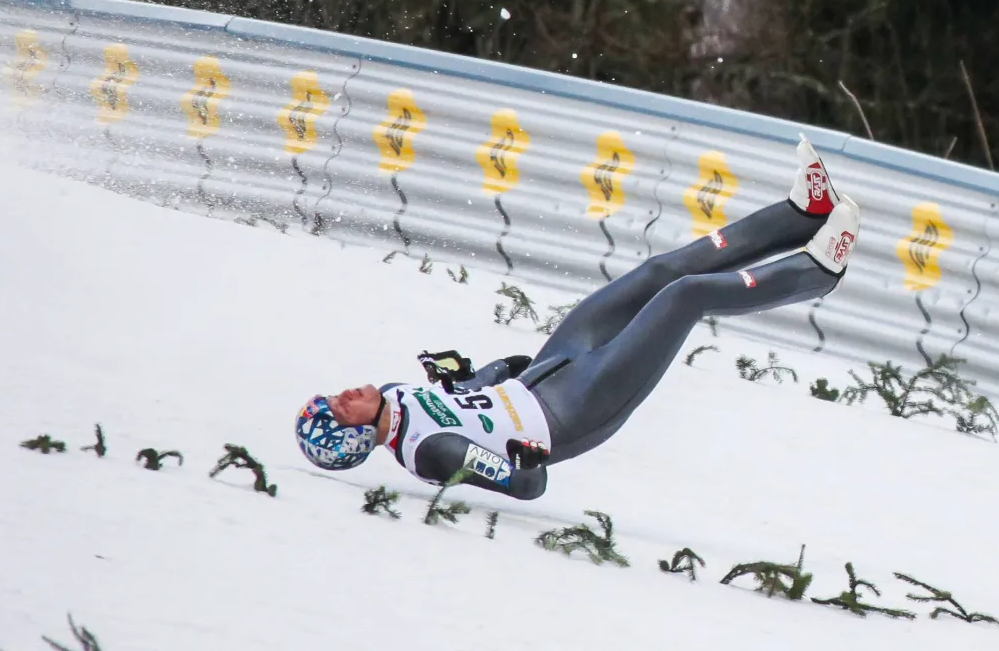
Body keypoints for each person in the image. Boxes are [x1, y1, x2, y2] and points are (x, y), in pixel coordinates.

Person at [295, 137, 860, 500]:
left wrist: (467, 375)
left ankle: (800, 214)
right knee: (684, 297)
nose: (344, 395)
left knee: (658, 274)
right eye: (340, 409)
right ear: (355, 436)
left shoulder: (397, 396)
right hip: (574, 410)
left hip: (549, 371)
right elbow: (525, 483)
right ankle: (813, 273)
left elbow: (495, 381)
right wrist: (523, 459)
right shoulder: (427, 452)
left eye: (332, 396)